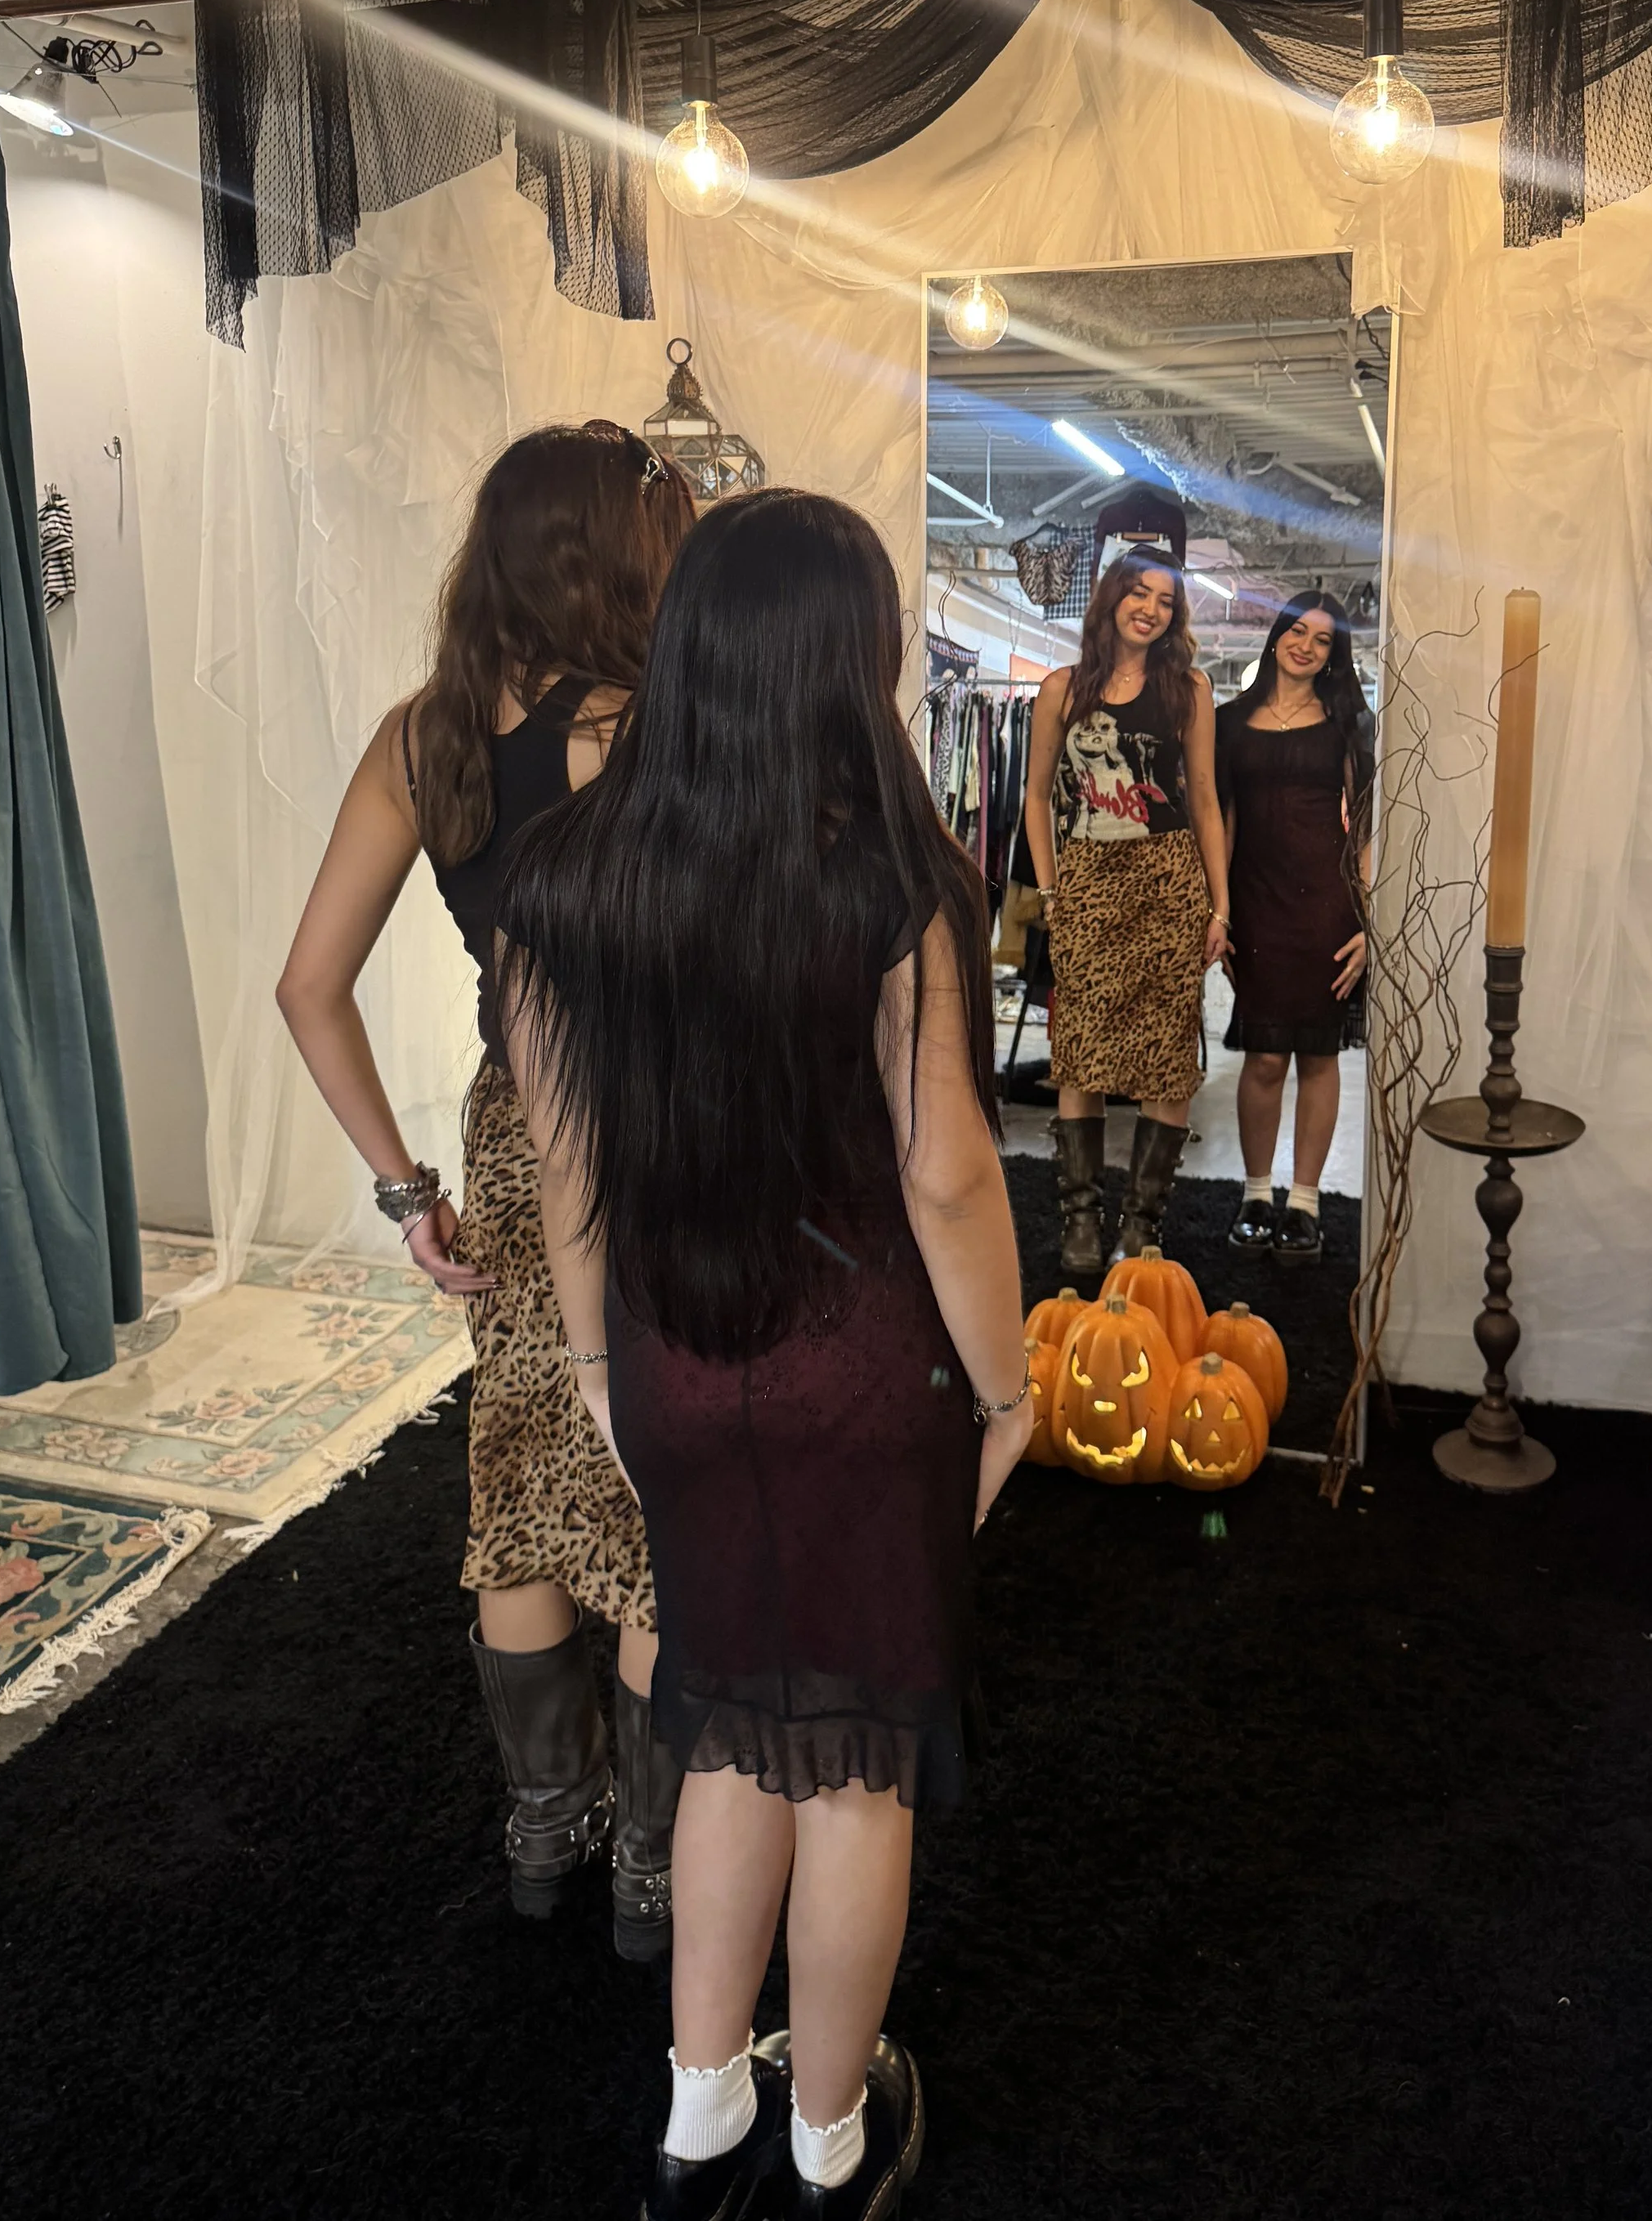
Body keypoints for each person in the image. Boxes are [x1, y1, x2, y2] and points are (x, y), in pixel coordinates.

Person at [501, 490, 1030, 2221]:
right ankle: (825, 2143)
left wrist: (596, 1367)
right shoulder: (889, 875)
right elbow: (945, 1169)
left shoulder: (568, 878)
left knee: (724, 1727)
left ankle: (697, 2117)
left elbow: (560, 1155)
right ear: (846, 661)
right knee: (858, 1766)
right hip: (862, 1374)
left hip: (669, 1363)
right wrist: (1011, 1386)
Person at [275, 422, 694, 1944]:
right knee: (660, 1501)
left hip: (520, 1137)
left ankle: (544, 1829)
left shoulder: (423, 735)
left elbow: (308, 982)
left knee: (519, 1487)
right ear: (619, 550)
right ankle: (654, 1861)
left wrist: (406, 1189)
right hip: (677, 1136)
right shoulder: (663, 722)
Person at [1022, 545, 1232, 1278]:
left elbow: (1204, 799)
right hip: (1086, 880)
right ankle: (1081, 1219)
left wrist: (1220, 905)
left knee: (1167, 1058)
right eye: (1138, 594)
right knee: (1078, 1048)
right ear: (1111, 598)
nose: (1150, 608)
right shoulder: (1062, 689)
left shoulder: (1190, 689)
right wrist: (1050, 891)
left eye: (1165, 600)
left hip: (1168, 881)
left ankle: (1141, 1226)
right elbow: (1036, 795)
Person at [1215, 593, 1372, 1265]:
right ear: (1277, 635)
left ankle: (1304, 1203)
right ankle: (1255, 1193)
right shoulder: (1228, 722)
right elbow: (1219, 820)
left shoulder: (1347, 724)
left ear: (1335, 654)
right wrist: (1217, 911)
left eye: (1324, 639)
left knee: (1318, 1055)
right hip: (1254, 902)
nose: (1306, 645)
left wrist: (1370, 922)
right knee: (1264, 1057)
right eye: (1297, 631)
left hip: (1325, 910)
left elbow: (1364, 827)